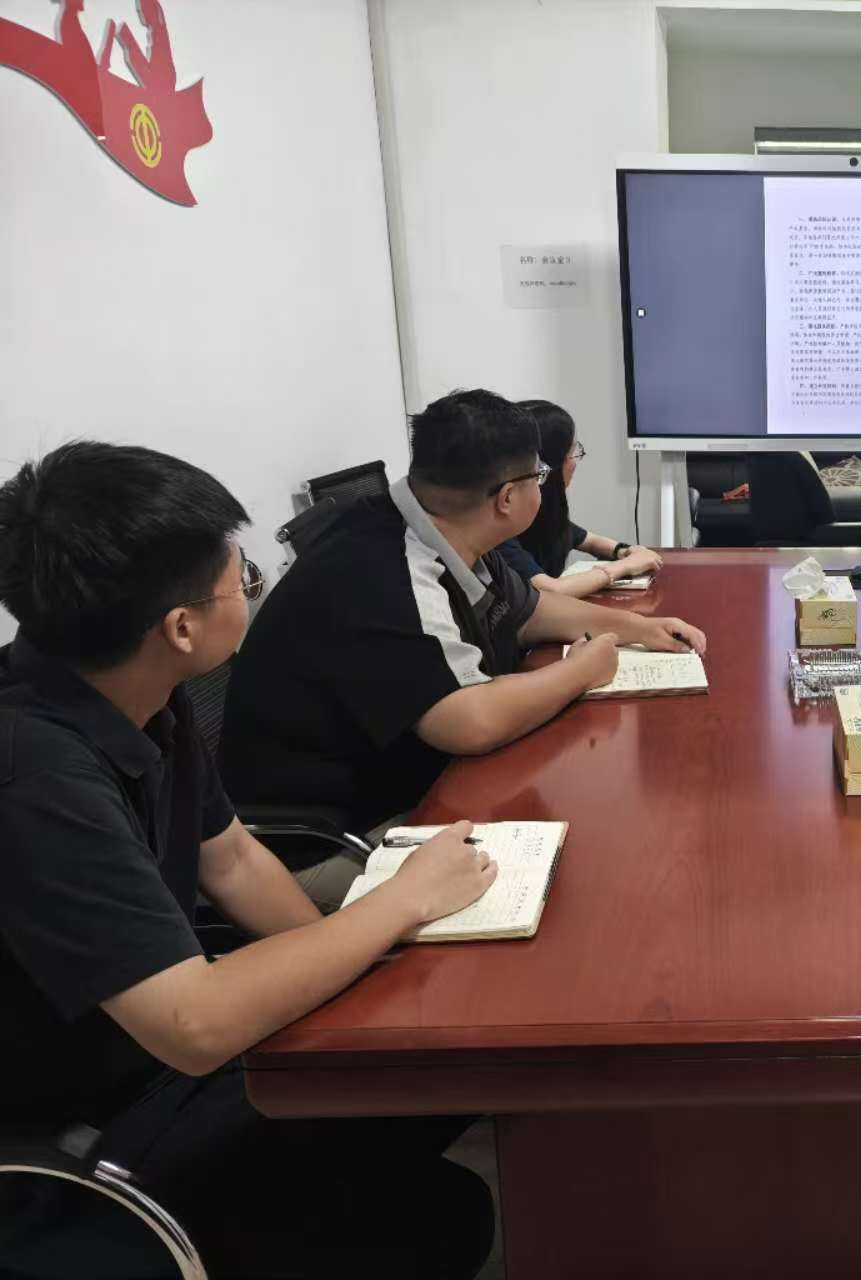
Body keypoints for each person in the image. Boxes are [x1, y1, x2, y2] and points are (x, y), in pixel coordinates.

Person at [0, 442, 496, 1279]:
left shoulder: (134, 694)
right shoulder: (35, 777)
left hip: (160, 1052)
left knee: (432, 1085)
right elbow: (194, 1026)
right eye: (242, 578)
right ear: (181, 627)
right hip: (94, 1129)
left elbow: (229, 858)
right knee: (441, 1220)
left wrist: (351, 988)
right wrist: (401, 903)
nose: (252, 588)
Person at [222, 389, 707, 910]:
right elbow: (468, 723)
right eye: (539, 476)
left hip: (406, 787)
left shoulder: (441, 526)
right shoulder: (382, 569)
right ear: (508, 498)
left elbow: (529, 612)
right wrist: (582, 672)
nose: (543, 486)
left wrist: (636, 628)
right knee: (584, 878)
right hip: (324, 845)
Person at [496, 398, 663, 597]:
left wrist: (625, 551)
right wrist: (624, 566)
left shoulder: (543, 515)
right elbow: (549, 591)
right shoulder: (500, 533)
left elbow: (589, 540)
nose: (575, 463)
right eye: (573, 453)